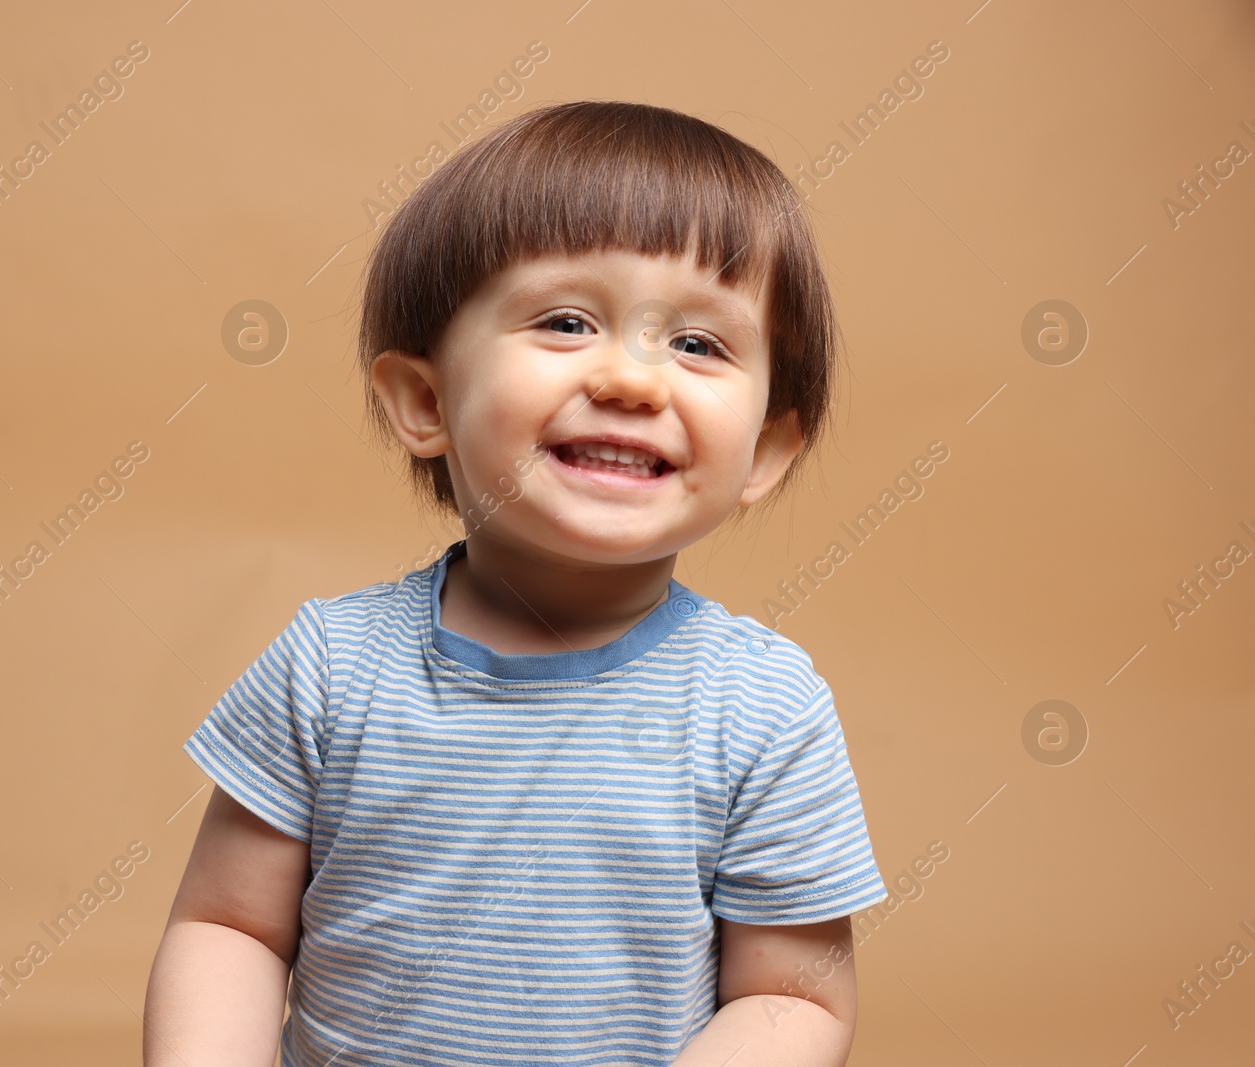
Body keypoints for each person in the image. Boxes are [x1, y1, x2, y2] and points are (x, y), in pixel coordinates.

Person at [143, 100, 889, 1067]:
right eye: (568, 321)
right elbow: (230, 928)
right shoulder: (331, 668)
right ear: (425, 400)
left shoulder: (764, 710)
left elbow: (796, 1000)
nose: (633, 379)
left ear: (766, 450)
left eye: (699, 344)